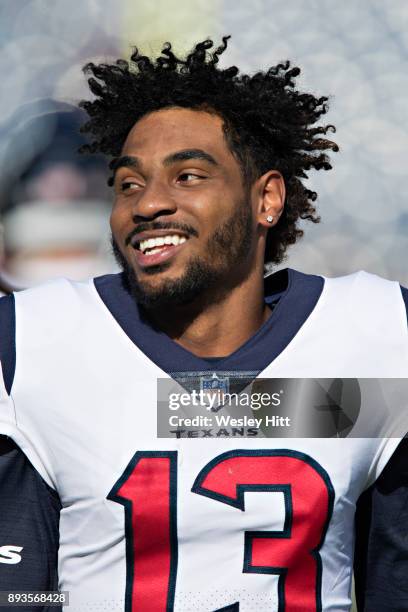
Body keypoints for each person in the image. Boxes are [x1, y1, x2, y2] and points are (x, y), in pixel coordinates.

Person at [0, 37, 407, 612]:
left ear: (266, 198)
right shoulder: (36, 343)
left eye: (187, 176)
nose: (147, 206)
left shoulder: (374, 336)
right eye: (128, 184)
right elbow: (19, 591)